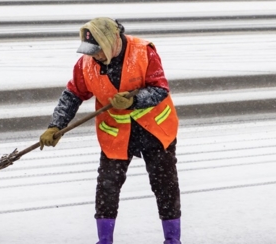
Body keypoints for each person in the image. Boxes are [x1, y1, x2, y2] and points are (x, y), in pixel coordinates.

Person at [39, 17, 181, 244]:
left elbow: (160, 88)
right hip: (116, 134)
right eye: (91, 51)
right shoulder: (86, 64)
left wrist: (134, 101)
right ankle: (104, 240)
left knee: (165, 185)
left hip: (154, 130)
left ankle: (172, 240)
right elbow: (73, 94)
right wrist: (56, 125)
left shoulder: (144, 52)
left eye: (98, 50)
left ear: (111, 41)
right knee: (107, 187)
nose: (95, 56)